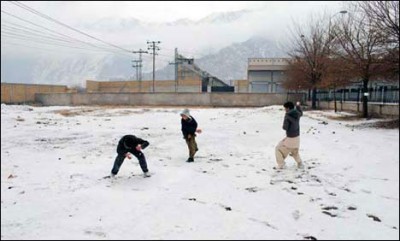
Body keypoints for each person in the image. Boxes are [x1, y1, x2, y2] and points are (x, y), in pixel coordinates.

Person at [275, 101, 304, 169]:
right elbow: (301, 113)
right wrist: (298, 106)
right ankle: (300, 163)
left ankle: (281, 164)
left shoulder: (287, 115)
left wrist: (284, 122)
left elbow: (285, 127)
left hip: (290, 138)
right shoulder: (297, 113)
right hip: (297, 138)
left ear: (288, 108)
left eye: (285, 108)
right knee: (294, 151)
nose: (284, 110)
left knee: (277, 149)